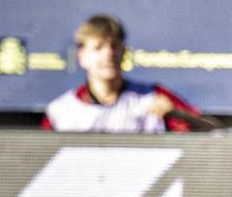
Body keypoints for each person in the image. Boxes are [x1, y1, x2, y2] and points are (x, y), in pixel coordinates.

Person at [41, 15, 220, 133]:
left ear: (124, 52)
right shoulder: (61, 111)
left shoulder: (152, 97)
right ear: (82, 57)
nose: (108, 54)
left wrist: (177, 114)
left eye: (114, 46)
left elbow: (215, 132)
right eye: (98, 48)